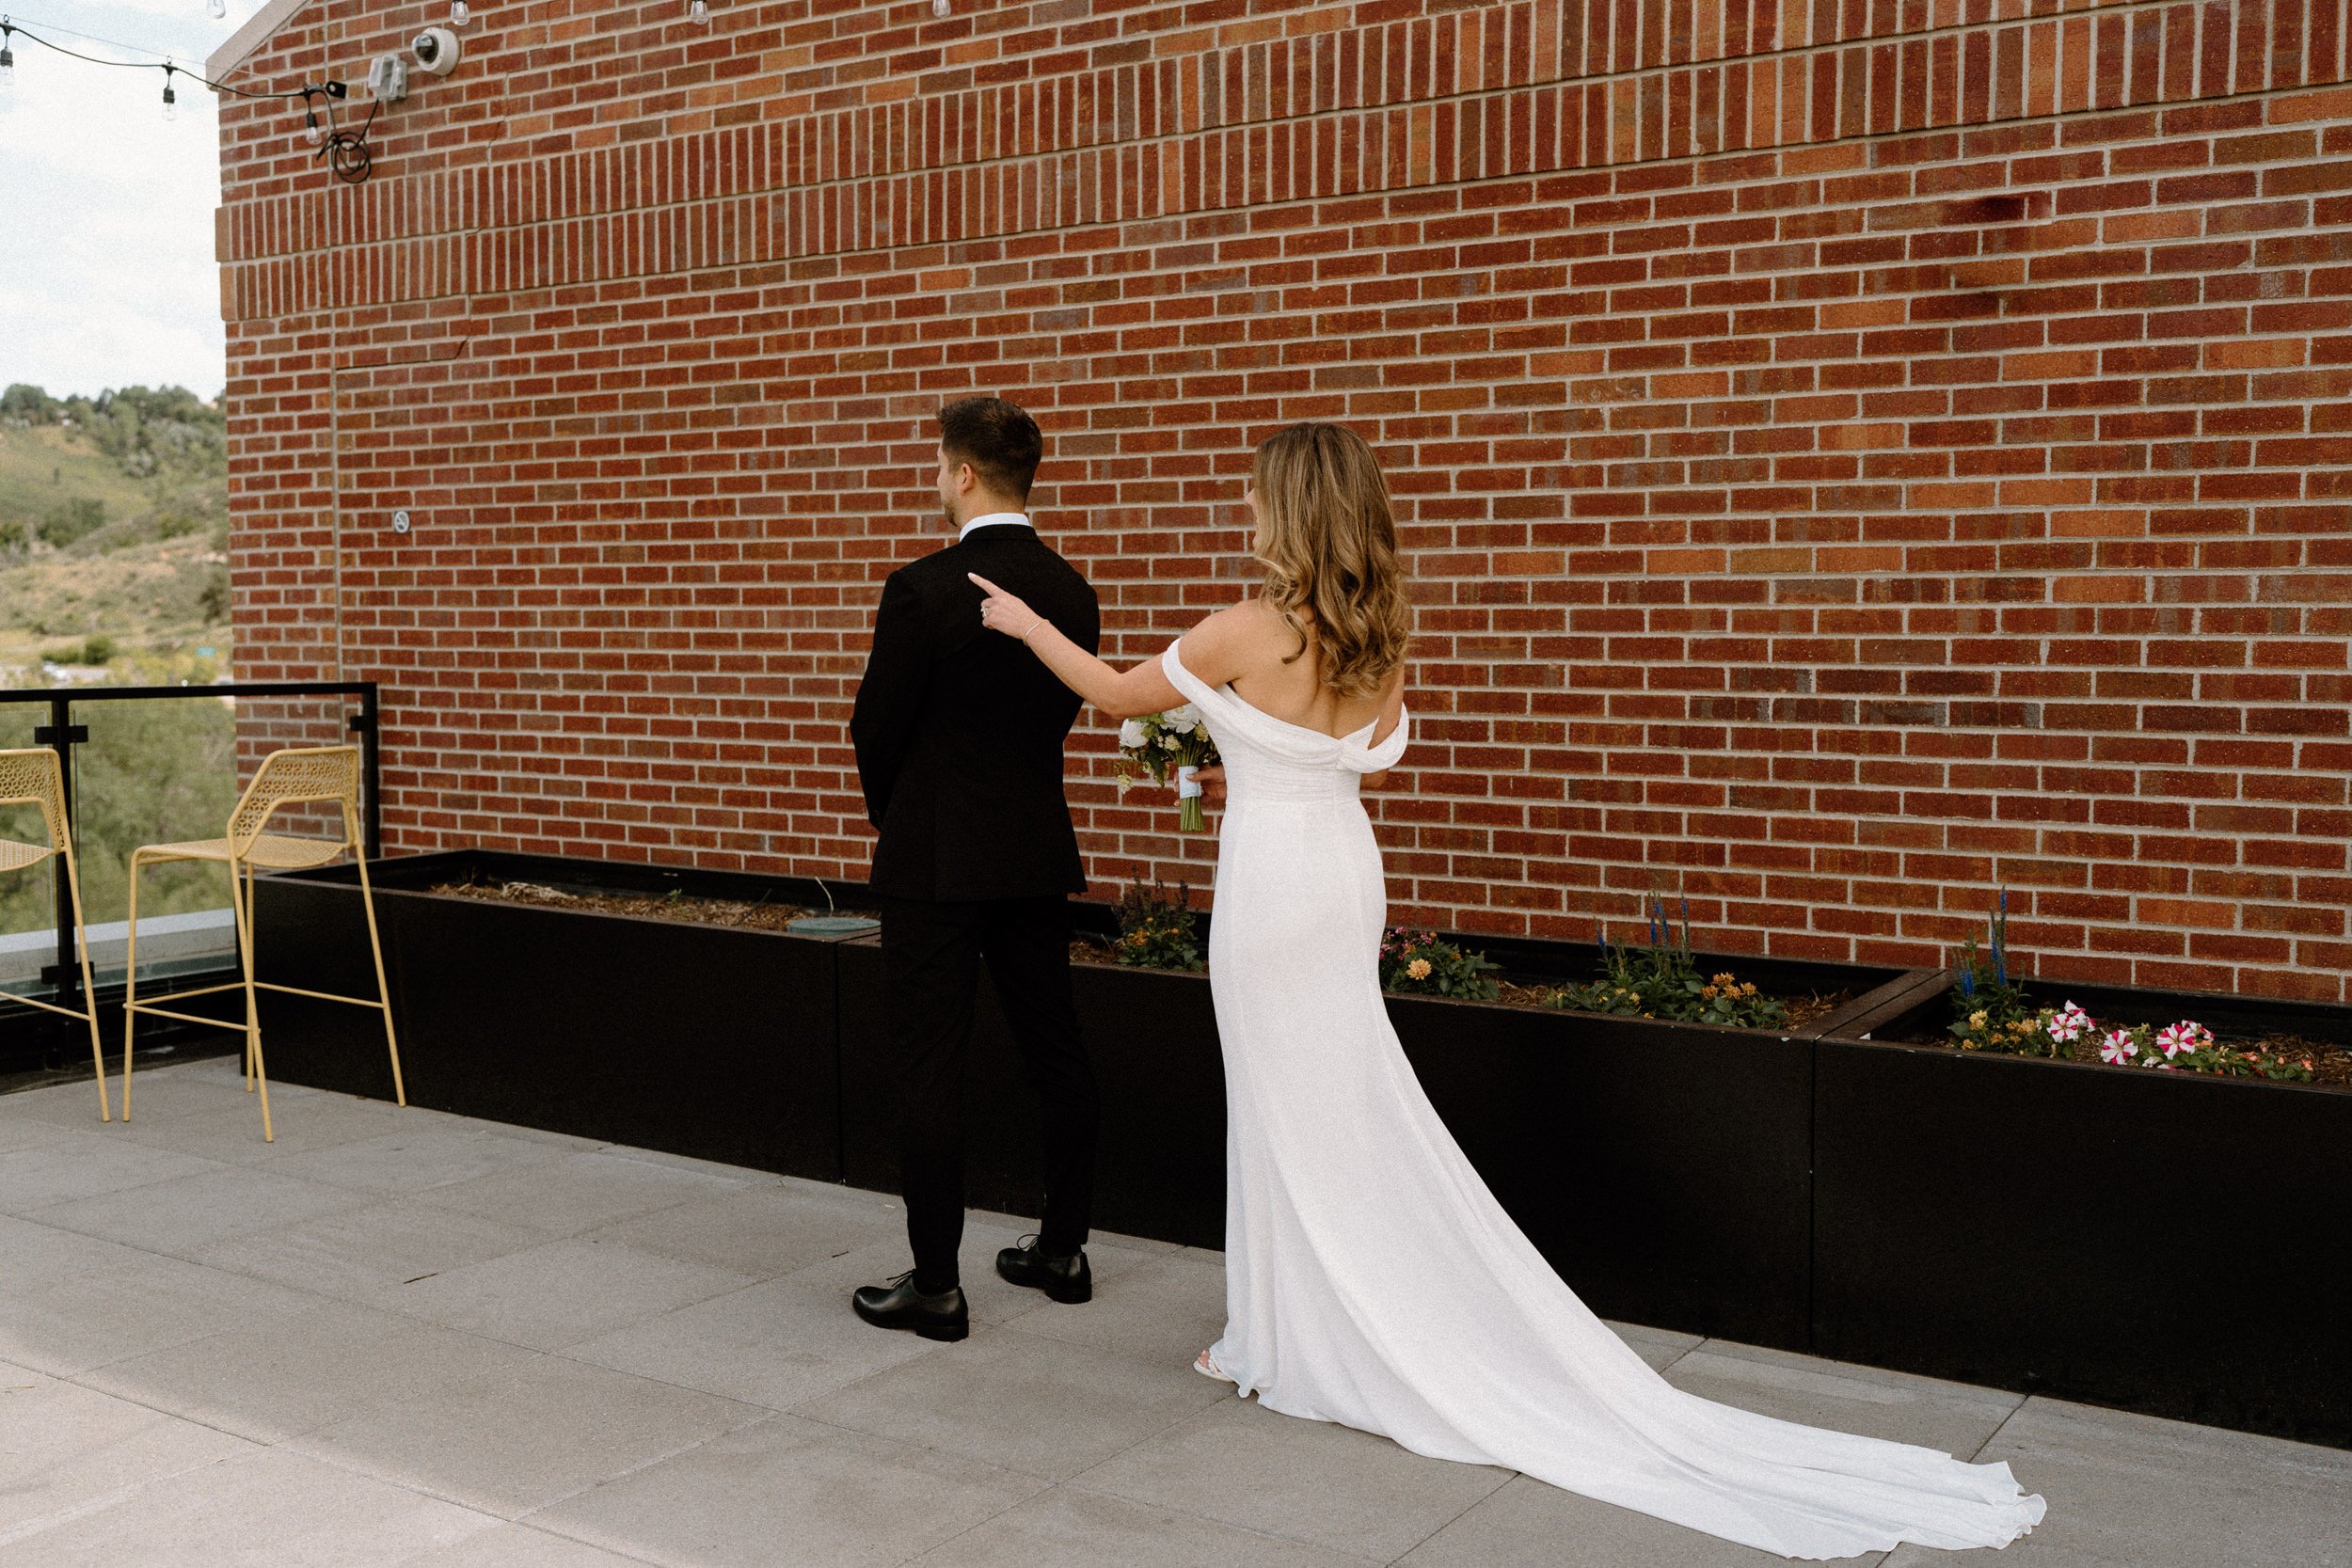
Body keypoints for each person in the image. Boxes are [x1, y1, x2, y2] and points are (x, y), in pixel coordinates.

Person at [964, 420, 2047, 1560]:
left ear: (1286, 508)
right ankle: (1274, 1324)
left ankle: (1284, 1336)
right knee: (1334, 1094)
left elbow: (1119, 695)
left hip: (1273, 885)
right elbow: (1360, 743)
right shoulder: (1381, 629)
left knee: (1283, 1101)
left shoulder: (1246, 625)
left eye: (1252, 496)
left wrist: (1027, 621)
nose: (1243, 510)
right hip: (1343, 873)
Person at [847, 395, 1104, 1343]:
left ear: (959, 472)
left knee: (929, 1060)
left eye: (935, 463)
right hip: (1034, 850)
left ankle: (936, 1282)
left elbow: (874, 726)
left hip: (934, 859)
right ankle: (1064, 1249)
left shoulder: (922, 588)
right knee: (1055, 1047)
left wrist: (902, 816)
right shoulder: (1072, 592)